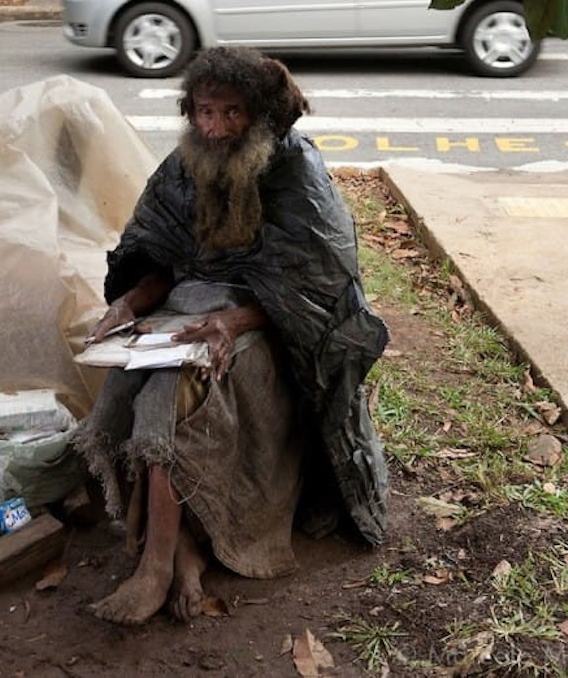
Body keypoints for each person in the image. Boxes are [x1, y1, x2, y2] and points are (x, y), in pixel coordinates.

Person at [74, 46, 389, 626]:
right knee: (127, 384)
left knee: (174, 391)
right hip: (188, 313)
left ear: (260, 116)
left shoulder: (297, 173)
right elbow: (161, 260)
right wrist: (127, 304)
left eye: (230, 114)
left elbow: (319, 290)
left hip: (271, 328)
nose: (212, 128)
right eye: (202, 112)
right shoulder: (182, 165)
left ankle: (157, 566)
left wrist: (234, 320)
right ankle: (184, 548)